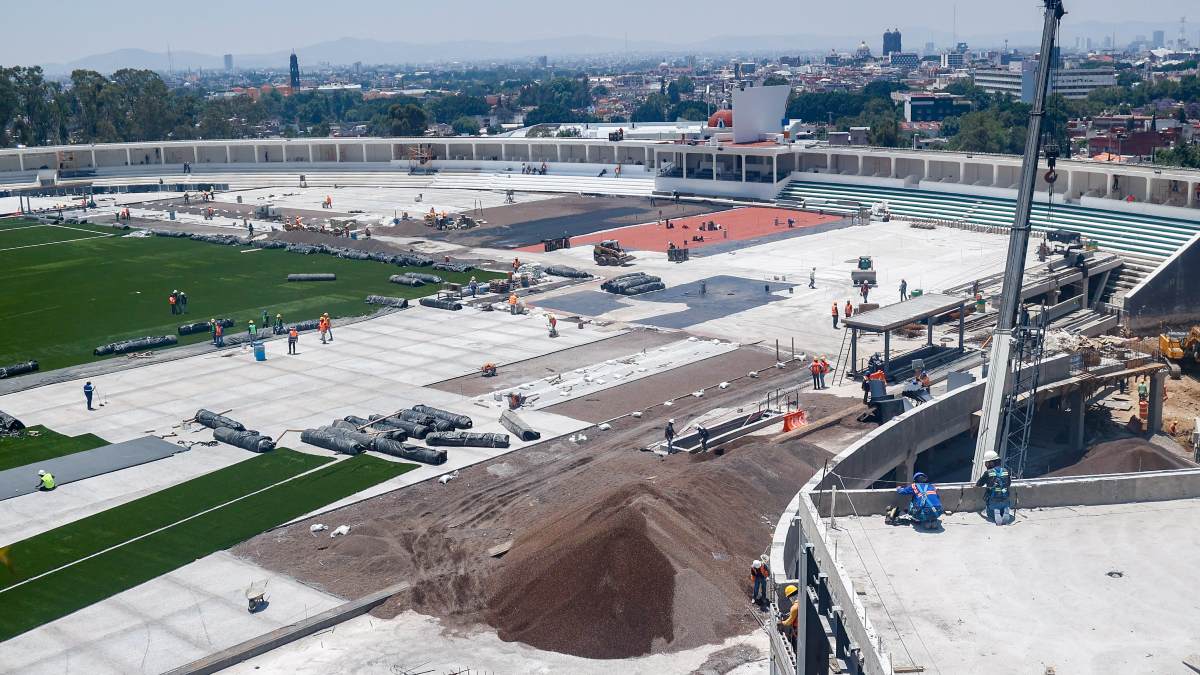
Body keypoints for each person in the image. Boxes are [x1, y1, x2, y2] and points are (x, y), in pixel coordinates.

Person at [976, 450, 1013, 525]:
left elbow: (979, 484)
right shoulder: (1006, 471)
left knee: (989, 512)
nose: (986, 465)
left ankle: (995, 512)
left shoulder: (988, 473)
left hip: (993, 501)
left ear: (991, 462)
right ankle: (1004, 509)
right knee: (1003, 502)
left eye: (986, 463)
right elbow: (1008, 484)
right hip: (1005, 500)